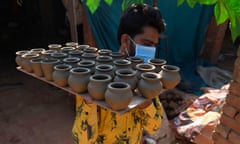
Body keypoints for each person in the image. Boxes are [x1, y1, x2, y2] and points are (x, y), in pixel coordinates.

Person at [72, 3, 166, 144]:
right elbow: (82, 140)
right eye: (147, 44)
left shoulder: (147, 78)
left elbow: (154, 127)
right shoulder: (96, 78)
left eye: (154, 45)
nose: (151, 51)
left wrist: (146, 104)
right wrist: (89, 103)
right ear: (125, 40)